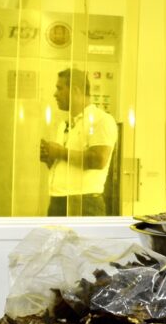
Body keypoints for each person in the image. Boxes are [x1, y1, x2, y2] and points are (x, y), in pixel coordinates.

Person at [39, 67, 117, 217]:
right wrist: (50, 158)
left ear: (75, 90)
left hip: (84, 203)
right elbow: (67, 162)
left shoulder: (101, 120)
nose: (55, 94)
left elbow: (98, 160)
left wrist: (59, 152)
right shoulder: (64, 125)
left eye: (59, 88)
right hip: (58, 200)